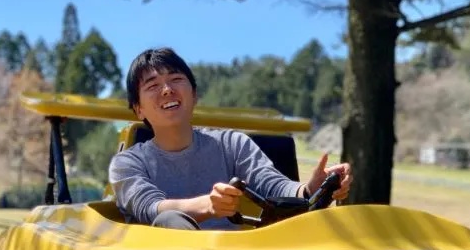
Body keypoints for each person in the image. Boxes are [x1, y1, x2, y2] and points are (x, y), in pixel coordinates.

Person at [108, 47, 353, 230]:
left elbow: (273, 185)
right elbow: (149, 208)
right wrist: (208, 205)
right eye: (152, 85)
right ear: (138, 109)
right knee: (169, 220)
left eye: (176, 79)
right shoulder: (127, 163)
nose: (167, 90)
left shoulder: (231, 144)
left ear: (194, 95)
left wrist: (311, 188)